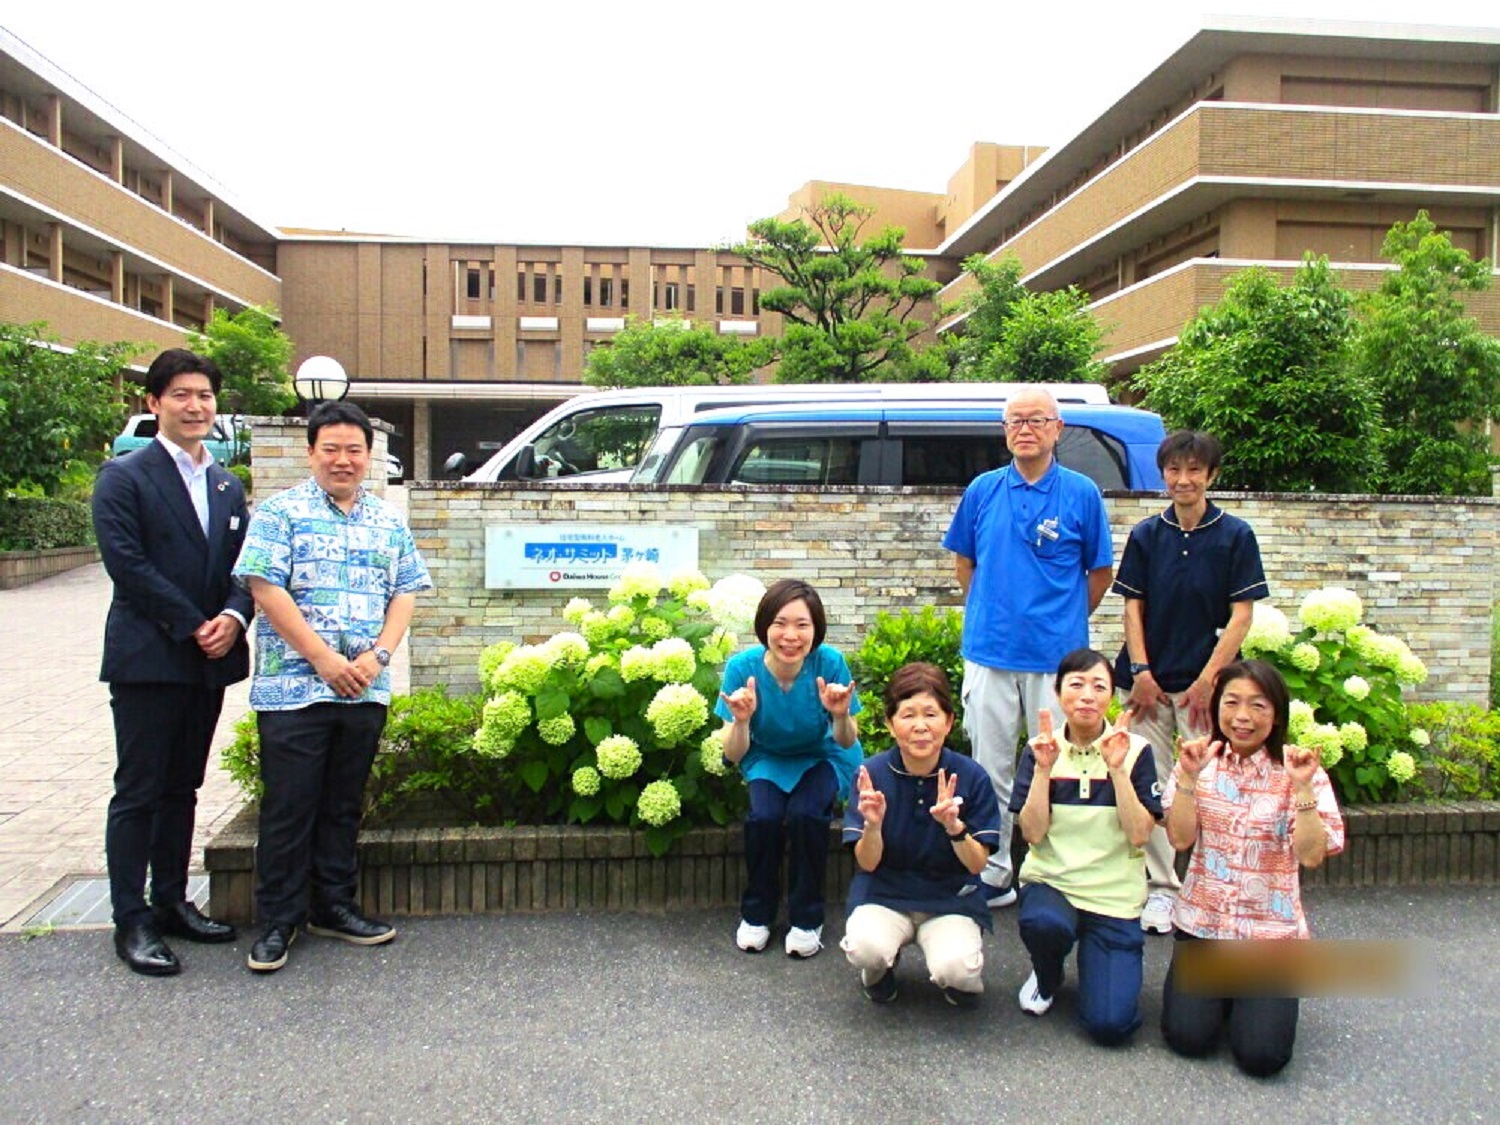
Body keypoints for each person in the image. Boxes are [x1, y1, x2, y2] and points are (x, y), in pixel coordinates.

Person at [233, 400, 432, 973]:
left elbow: (405, 591)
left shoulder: (388, 520)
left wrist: (379, 656)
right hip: (294, 689)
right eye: (331, 449)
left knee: (343, 806)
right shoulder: (280, 513)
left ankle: (334, 905)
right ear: (311, 452)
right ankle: (278, 920)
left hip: (363, 687)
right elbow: (264, 588)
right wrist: (323, 660)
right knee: (290, 806)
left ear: (370, 457)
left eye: (354, 450)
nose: (343, 460)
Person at [91, 348, 252, 975]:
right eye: (181, 395)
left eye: (205, 395)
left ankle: (171, 902)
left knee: (183, 785)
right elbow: (126, 565)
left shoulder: (225, 483)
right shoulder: (124, 477)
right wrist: (192, 624)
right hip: (150, 657)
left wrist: (234, 618)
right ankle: (130, 919)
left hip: (208, 659)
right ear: (154, 403)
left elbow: (247, 567)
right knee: (139, 788)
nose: (196, 406)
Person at [943, 387, 1114, 908]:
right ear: (1004, 430)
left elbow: (1100, 572)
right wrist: (992, 615)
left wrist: (1061, 621)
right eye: (1015, 421)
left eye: (1036, 420)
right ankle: (995, 869)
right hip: (989, 655)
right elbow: (964, 563)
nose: (1025, 429)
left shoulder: (1082, 492)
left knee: (1059, 764)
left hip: (1056, 662)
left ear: (1057, 428)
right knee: (989, 765)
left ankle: (1051, 870)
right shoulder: (982, 489)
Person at [1113, 430, 1268, 935]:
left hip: (1209, 687)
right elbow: (1132, 606)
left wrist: (1209, 682)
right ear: (1163, 475)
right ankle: (1161, 889)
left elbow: (1241, 615)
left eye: (1194, 470)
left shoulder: (1235, 535)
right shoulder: (1146, 535)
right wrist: (1140, 671)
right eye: (1174, 470)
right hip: (1146, 685)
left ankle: (1211, 885)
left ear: (1212, 476)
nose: (1183, 480)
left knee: (1209, 786)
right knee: (1150, 786)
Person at [1160, 659, 1345, 1077]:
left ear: (1277, 712)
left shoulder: (1301, 772)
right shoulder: (1197, 761)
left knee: (1262, 1057)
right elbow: (1180, 839)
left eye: (1258, 706)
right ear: (1217, 708)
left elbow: (1313, 855)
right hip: (1205, 926)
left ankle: (1248, 995)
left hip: (1270, 935)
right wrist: (1188, 778)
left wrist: (1300, 789)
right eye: (1232, 703)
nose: (1242, 717)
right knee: (1188, 1039)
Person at [1009, 650, 1159, 1043]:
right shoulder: (1039, 750)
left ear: (1111, 696)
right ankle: (1047, 974)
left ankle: (1099, 966)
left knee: (1110, 1026)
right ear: (1058, 693)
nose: (1087, 695)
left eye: (1099, 686)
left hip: (1113, 896)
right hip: (1053, 883)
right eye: (1076, 685)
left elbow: (1141, 833)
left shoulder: (1136, 751)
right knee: (1044, 924)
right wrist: (1043, 771)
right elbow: (1032, 833)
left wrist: (1117, 769)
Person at [840, 663, 1002, 1008]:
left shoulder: (971, 776)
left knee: (957, 969)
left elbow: (978, 863)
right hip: (884, 894)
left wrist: (955, 828)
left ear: (949, 721)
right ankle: (879, 970)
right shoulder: (871, 775)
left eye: (931, 713)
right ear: (889, 722)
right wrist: (872, 824)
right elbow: (867, 863)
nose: (920, 726)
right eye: (907, 714)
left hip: (950, 898)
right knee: (864, 948)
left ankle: (957, 979)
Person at [716, 578, 861, 958]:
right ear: (765, 625)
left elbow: (846, 739)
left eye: (802, 625)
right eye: (781, 623)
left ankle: (806, 917)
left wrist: (841, 713)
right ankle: (757, 913)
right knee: (764, 818)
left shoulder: (830, 663)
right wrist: (743, 721)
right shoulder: (741, 668)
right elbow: (732, 754)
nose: (790, 635)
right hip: (767, 756)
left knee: (805, 814)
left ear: (816, 630)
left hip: (824, 755)